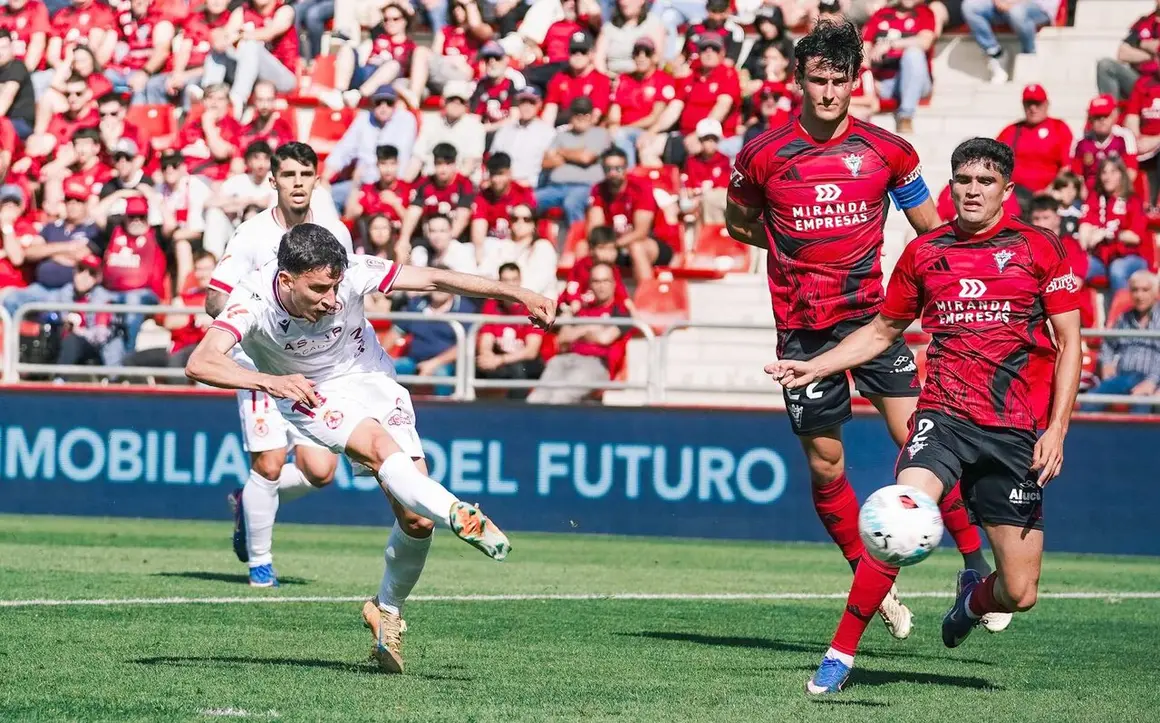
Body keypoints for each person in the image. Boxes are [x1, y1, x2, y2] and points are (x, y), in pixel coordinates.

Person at [768, 137, 1083, 694]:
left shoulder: (1040, 249)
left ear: (1007, 190)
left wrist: (1057, 429)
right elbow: (882, 331)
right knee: (899, 515)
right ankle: (840, 654)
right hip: (943, 415)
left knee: (1019, 592)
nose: (973, 191)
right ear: (951, 185)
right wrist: (816, 365)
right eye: (964, 180)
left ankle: (972, 600)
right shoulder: (925, 252)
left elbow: (1070, 343)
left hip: (1014, 429)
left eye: (985, 182)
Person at [726, 20, 999, 644]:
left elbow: (931, 231)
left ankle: (973, 565)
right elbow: (738, 223)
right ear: (799, 82)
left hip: (874, 320)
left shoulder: (887, 150)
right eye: (817, 80)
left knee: (922, 442)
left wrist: (970, 289)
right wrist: (793, 245)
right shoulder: (762, 153)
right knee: (827, 466)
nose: (828, 93)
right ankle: (872, 582)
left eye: (839, 81)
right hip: (802, 329)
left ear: (856, 82)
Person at [185, 223, 555, 672]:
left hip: (371, 377)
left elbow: (435, 279)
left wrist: (518, 294)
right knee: (380, 449)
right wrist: (269, 381)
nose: (332, 299)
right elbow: (200, 361)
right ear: (286, 280)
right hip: (310, 393)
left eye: (335, 286)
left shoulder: (355, 271)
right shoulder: (253, 299)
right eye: (319, 289)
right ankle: (458, 512)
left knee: (417, 519)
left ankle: (386, 610)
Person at [204, 142, 358, 588]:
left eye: (305, 174)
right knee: (269, 464)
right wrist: (255, 320)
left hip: (313, 365)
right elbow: (214, 298)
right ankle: (261, 565)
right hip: (260, 364)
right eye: (288, 175)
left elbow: (346, 294)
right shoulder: (252, 235)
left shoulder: (334, 234)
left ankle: (247, 500)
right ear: (273, 180)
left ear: (317, 180)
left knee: (320, 471)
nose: (297, 183)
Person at [528, 261, 628, 404]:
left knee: (560, 397)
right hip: (565, 359)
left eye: (605, 281)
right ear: (590, 284)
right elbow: (562, 337)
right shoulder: (582, 308)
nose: (601, 286)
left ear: (614, 283)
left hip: (596, 364)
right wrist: (590, 328)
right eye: (596, 281)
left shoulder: (621, 310)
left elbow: (604, 338)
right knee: (537, 397)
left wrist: (578, 331)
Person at [1078, 157, 1151, 308]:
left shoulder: (1132, 200)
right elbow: (1085, 230)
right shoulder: (1095, 198)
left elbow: (1135, 237)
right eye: (1104, 172)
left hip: (1130, 257)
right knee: (1077, 266)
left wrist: (1108, 233)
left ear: (1121, 174)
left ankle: (1121, 318)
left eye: (1113, 172)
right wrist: (1087, 238)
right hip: (1101, 258)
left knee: (1117, 269)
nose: (1107, 177)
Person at [1084, 270, 1160, 414]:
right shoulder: (1124, 318)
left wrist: (1151, 382)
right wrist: (1106, 363)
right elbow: (1108, 345)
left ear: (1155, 292)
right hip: (1123, 376)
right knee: (1089, 402)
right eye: (1135, 290)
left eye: (1145, 290)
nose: (1139, 295)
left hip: (1152, 378)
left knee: (1141, 409)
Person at [861, 0, 936, 134]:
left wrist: (891, 44)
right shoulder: (882, 14)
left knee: (913, 53)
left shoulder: (924, 13)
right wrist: (869, 80)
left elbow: (925, 42)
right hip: (885, 84)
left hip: (918, 83)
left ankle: (906, 115)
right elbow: (864, 49)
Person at [537, 97, 611, 227]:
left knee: (571, 203)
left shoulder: (600, 133)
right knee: (530, 200)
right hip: (555, 187)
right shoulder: (561, 135)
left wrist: (560, 152)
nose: (581, 117)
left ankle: (577, 238)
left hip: (584, 187)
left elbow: (585, 158)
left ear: (591, 115)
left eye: (585, 113)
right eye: (577, 113)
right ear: (571, 115)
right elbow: (545, 162)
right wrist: (575, 154)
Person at [477, 262, 546, 398]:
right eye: (506, 280)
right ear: (499, 282)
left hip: (524, 362)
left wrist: (500, 360)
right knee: (477, 365)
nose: (511, 285)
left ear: (520, 280)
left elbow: (531, 351)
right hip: (499, 359)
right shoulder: (491, 305)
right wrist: (486, 356)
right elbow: (486, 340)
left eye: (514, 280)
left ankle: (517, 410)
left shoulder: (532, 307)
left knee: (517, 370)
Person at [996, 84, 1073, 200]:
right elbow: (995, 163)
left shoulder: (1059, 128)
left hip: (1049, 197)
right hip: (1015, 195)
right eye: (1029, 104)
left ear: (1046, 104)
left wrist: (1049, 191)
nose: (1033, 108)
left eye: (1037, 103)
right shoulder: (1010, 130)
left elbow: (1066, 168)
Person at [960, 0, 1058, 84]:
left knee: (1017, 12)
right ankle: (996, 54)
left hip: (1039, 7)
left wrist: (1012, 2)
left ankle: (1029, 56)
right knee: (971, 6)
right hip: (1005, 4)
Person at [1072, 94, 1138, 194]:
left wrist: (1115, 193)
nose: (1102, 120)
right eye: (1097, 117)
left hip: (1118, 191)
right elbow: (1076, 174)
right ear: (1090, 118)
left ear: (1114, 115)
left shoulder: (1124, 137)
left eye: (1106, 115)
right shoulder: (1080, 139)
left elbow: (1131, 171)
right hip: (1089, 194)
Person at [1096, 0, 1160, 101]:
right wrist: (1149, 50)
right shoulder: (1144, 21)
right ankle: (1110, 109)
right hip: (1139, 80)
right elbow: (1123, 53)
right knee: (1105, 65)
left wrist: (1140, 47)